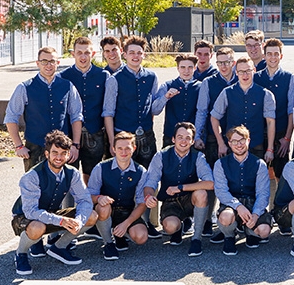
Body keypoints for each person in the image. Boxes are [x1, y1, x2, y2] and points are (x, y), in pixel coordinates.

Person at [11, 131, 98, 275]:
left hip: (51, 213)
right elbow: (31, 212)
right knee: (37, 227)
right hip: (25, 217)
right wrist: (61, 221)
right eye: (55, 152)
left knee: (91, 215)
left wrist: (78, 221)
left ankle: (59, 247)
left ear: (68, 155)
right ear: (47, 154)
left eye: (63, 153)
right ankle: (21, 254)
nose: (59, 157)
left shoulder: (73, 173)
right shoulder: (31, 177)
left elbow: (85, 200)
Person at [5, 46, 84, 172]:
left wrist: (75, 145)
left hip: (63, 148)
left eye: (52, 61)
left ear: (57, 63)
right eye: (44, 61)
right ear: (38, 63)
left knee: (66, 187)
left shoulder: (67, 86)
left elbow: (77, 116)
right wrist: (19, 146)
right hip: (35, 147)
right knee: (35, 187)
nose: (48, 65)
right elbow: (11, 117)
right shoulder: (24, 87)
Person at [142, 122, 214, 257]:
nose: (183, 141)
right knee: (170, 227)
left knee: (201, 193)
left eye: (188, 138)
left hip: (190, 199)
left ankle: (196, 238)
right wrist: (149, 196)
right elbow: (150, 182)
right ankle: (179, 228)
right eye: (180, 137)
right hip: (170, 201)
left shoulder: (198, 156)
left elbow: (210, 183)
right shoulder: (161, 156)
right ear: (173, 139)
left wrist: (181, 188)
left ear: (192, 141)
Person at [194, 47, 238, 238]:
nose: (223, 66)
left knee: (234, 181)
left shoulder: (242, 78)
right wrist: (198, 136)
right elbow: (202, 111)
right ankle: (205, 221)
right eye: (220, 62)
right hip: (214, 138)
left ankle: (228, 221)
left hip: (238, 139)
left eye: (227, 62)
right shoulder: (208, 83)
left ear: (233, 62)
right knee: (212, 180)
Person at [88, 132, 148, 261]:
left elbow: (142, 203)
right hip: (105, 211)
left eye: (127, 148)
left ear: (134, 148)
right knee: (103, 206)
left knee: (141, 237)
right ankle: (108, 243)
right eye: (120, 148)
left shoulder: (141, 171)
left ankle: (120, 234)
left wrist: (126, 224)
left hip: (127, 212)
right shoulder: (101, 167)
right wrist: (99, 198)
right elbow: (88, 195)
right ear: (113, 149)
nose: (123, 152)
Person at [102, 35, 160, 169]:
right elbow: (108, 113)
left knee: (149, 172)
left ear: (143, 55)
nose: (136, 56)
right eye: (132, 53)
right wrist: (112, 141)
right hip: (122, 135)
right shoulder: (114, 79)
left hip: (146, 134)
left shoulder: (152, 76)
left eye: (139, 53)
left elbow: (151, 108)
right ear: (125, 55)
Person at [213, 126, 273, 255]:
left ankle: (250, 232)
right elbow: (221, 192)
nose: (238, 144)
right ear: (229, 143)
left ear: (248, 141)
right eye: (234, 141)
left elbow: (263, 194)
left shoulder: (259, 164)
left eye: (242, 140)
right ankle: (229, 236)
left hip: (252, 203)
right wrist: (238, 206)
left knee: (264, 231)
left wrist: (256, 214)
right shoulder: (220, 164)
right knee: (226, 216)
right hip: (232, 203)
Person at [59, 37, 109, 182]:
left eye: (86, 53)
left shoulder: (103, 76)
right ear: (72, 53)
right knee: (69, 173)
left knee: (93, 175)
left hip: (95, 133)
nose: (83, 56)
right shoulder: (63, 77)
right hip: (69, 133)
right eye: (79, 52)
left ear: (92, 54)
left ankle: (89, 203)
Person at [209, 57, 277, 162]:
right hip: (233, 146)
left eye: (248, 71)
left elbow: (270, 122)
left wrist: (270, 149)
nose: (245, 75)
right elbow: (214, 117)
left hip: (256, 146)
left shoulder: (266, 94)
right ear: (236, 73)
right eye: (241, 72)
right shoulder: (226, 92)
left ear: (254, 70)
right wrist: (221, 143)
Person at [254, 38, 294, 178]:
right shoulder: (255, 78)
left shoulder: (290, 78)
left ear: (281, 56)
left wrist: (287, 138)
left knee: (281, 175)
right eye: (269, 54)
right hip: (259, 134)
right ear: (264, 56)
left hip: (280, 134)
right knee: (259, 175)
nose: (273, 57)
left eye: (276, 54)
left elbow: (292, 110)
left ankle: (277, 200)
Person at [153, 53, 201, 149]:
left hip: (191, 137)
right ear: (177, 68)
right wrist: (165, 97)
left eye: (190, 67)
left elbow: (203, 112)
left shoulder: (201, 86)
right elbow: (155, 110)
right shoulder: (167, 85)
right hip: (170, 135)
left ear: (195, 68)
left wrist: (199, 136)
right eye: (182, 67)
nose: (186, 71)